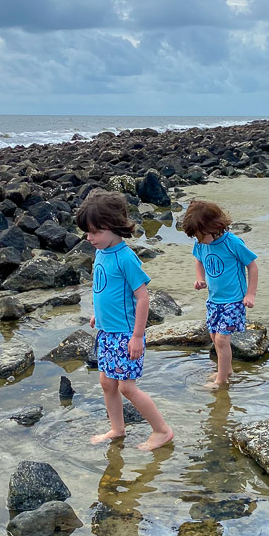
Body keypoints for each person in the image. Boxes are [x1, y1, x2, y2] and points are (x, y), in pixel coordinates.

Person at [75, 189, 174, 451]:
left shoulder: (126, 257)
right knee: (107, 382)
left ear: (113, 226)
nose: (89, 237)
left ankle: (162, 431)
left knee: (127, 387)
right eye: (88, 232)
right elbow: (105, 289)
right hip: (107, 331)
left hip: (126, 335)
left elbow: (142, 298)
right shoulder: (101, 253)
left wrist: (138, 336)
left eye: (95, 232)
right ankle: (118, 429)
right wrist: (100, 314)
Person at [182, 199, 259, 388]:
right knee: (213, 335)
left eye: (201, 236)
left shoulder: (232, 243)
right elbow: (198, 260)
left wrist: (251, 294)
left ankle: (221, 380)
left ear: (214, 226)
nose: (199, 241)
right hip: (214, 299)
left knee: (223, 339)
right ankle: (226, 369)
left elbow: (252, 265)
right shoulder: (201, 244)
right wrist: (199, 278)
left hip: (233, 300)